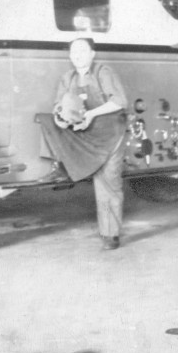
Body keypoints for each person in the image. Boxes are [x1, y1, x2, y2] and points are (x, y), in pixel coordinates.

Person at [37, 37, 128, 250]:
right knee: (46, 120)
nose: (77, 55)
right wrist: (63, 117)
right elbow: (57, 106)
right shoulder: (68, 78)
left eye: (82, 51)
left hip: (109, 134)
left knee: (107, 184)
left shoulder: (102, 72)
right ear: (70, 56)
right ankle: (59, 166)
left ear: (92, 54)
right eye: (74, 52)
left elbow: (120, 102)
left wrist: (91, 114)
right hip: (84, 133)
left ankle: (110, 235)